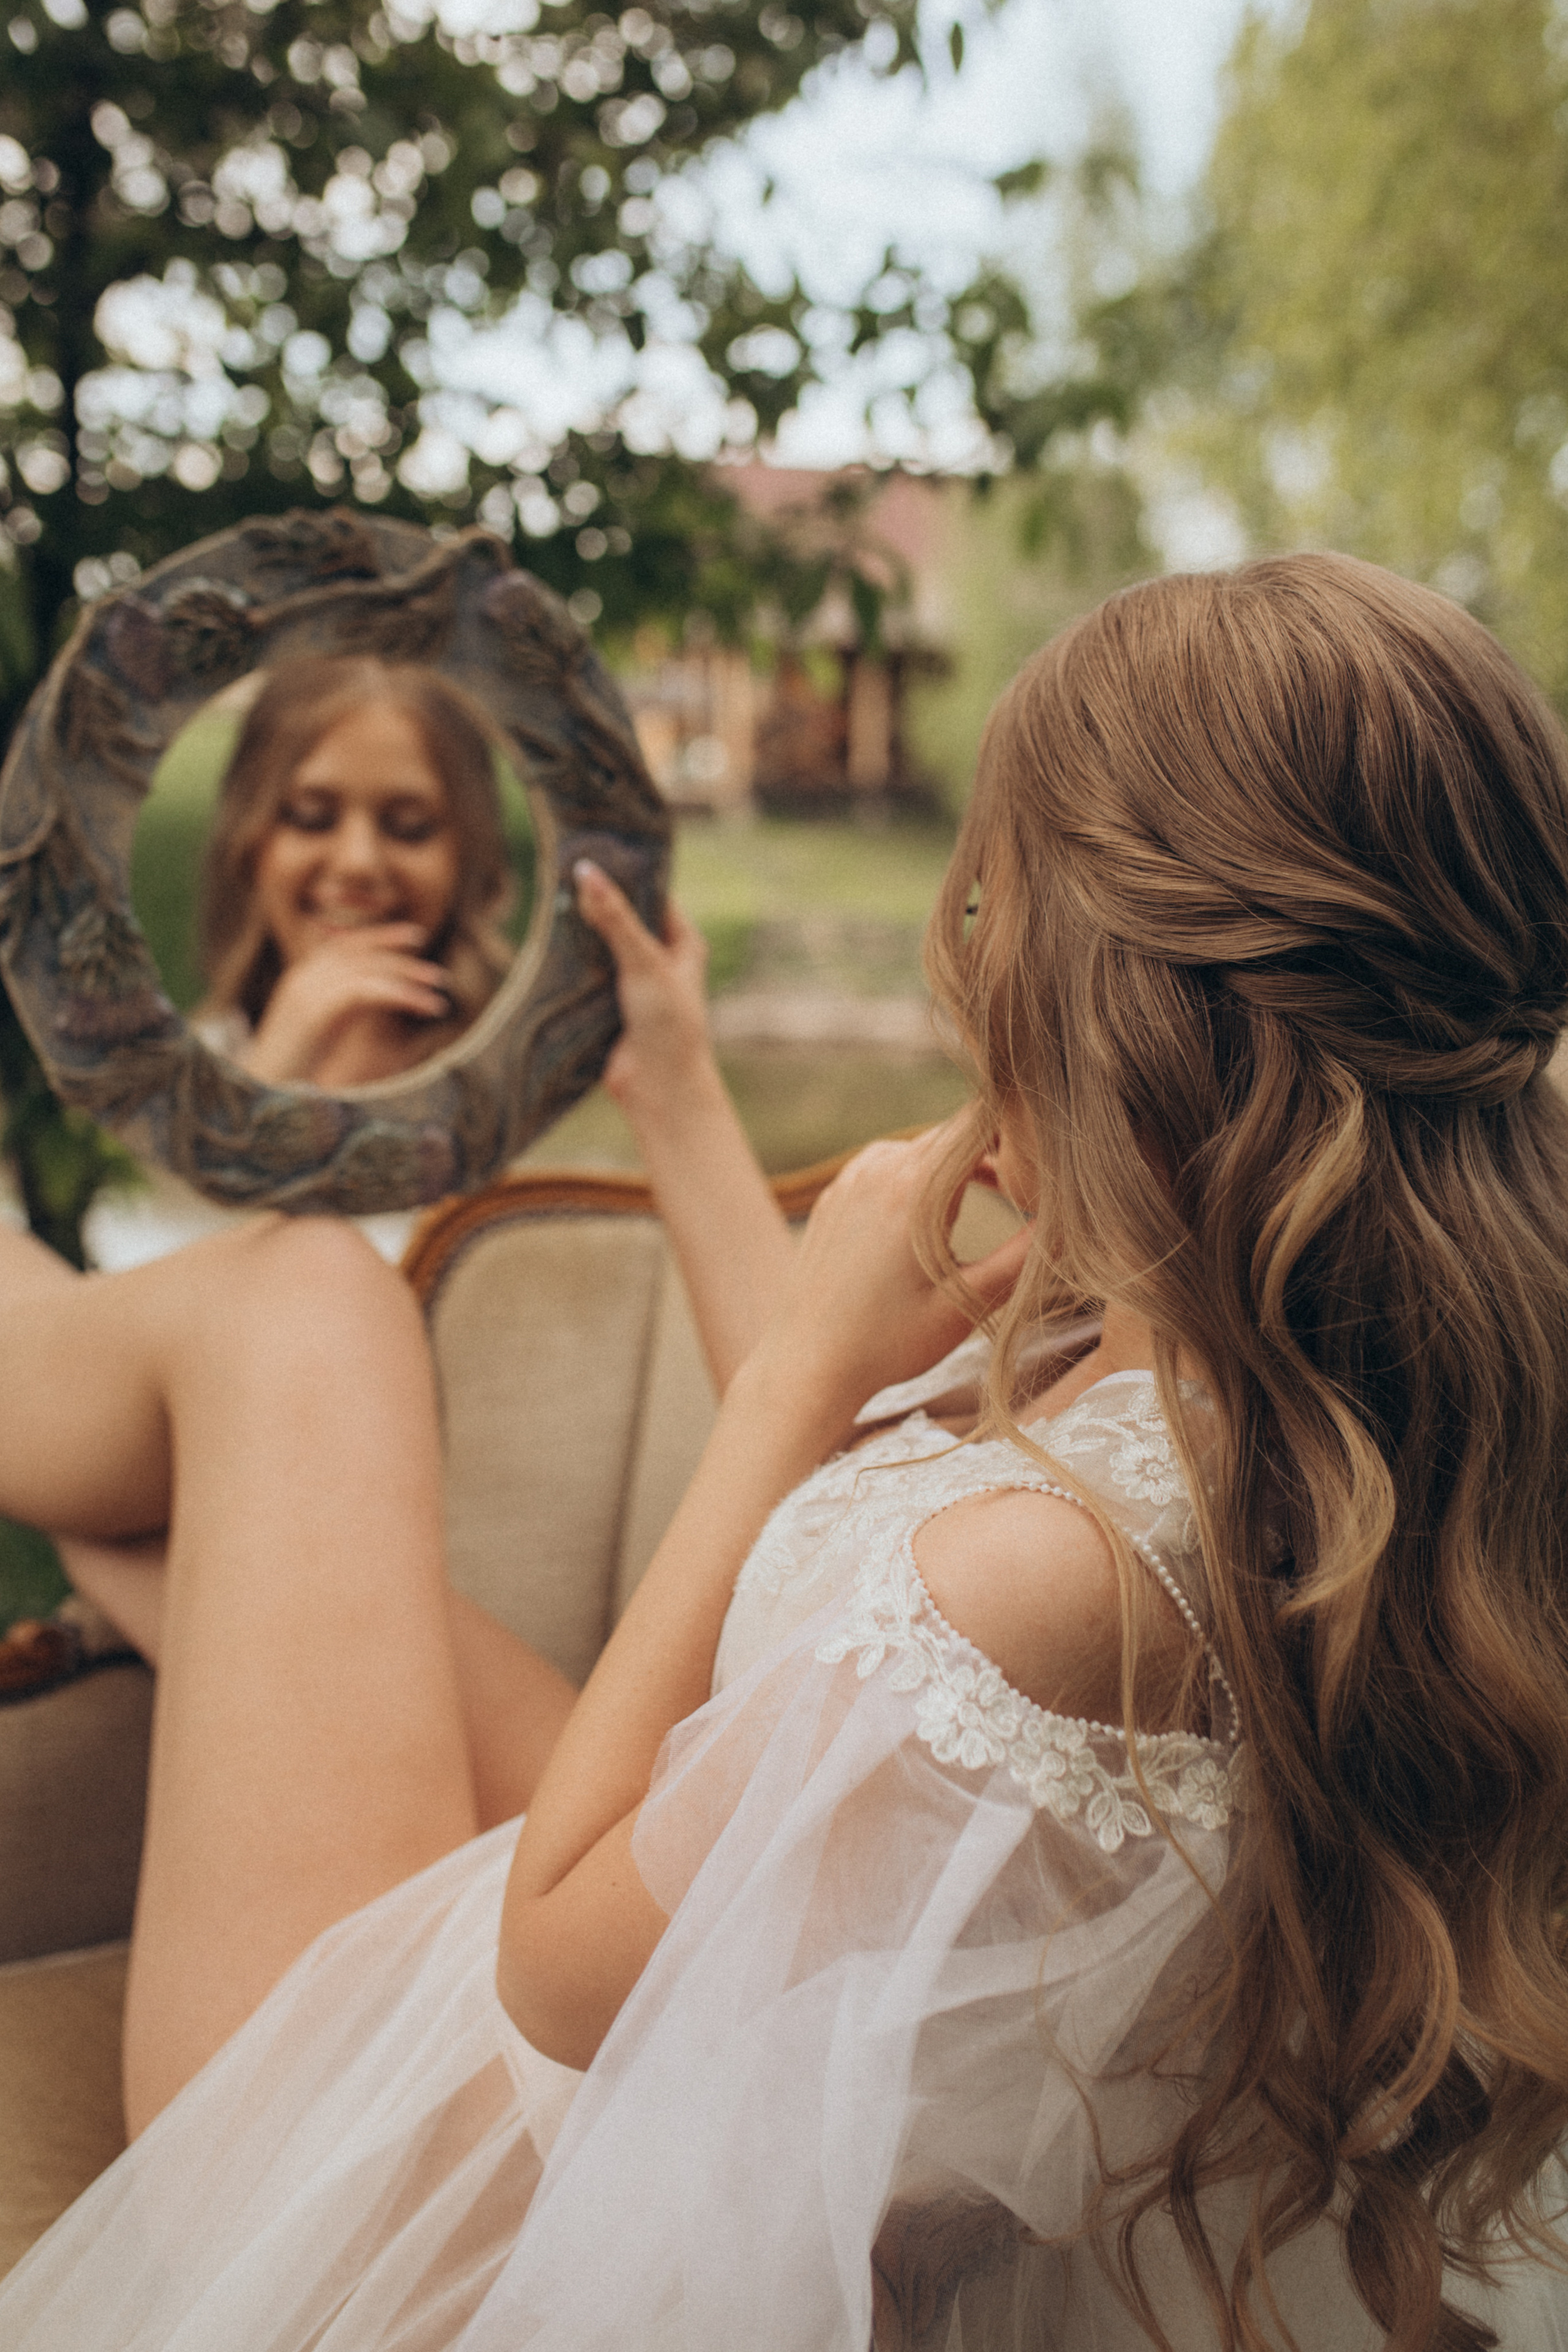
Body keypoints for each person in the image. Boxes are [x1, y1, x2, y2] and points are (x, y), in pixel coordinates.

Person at [2, 551, 1568, 2351]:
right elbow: (855, 1560)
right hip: (719, 2029)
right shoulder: (1306, 1396)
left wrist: (778, 1397)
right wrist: (674, 1083)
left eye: (991, 917)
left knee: (301, 1305)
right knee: (268, 1486)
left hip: (465, 2209)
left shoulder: (1030, 1582)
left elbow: (557, 1960)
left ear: (1088, 985)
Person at [195, 654, 516, 1089]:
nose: (358, 863)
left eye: (409, 827)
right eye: (312, 817)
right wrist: (269, 1072)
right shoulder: (190, 1069)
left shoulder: (517, 1067)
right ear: (251, 839)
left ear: (467, 850)